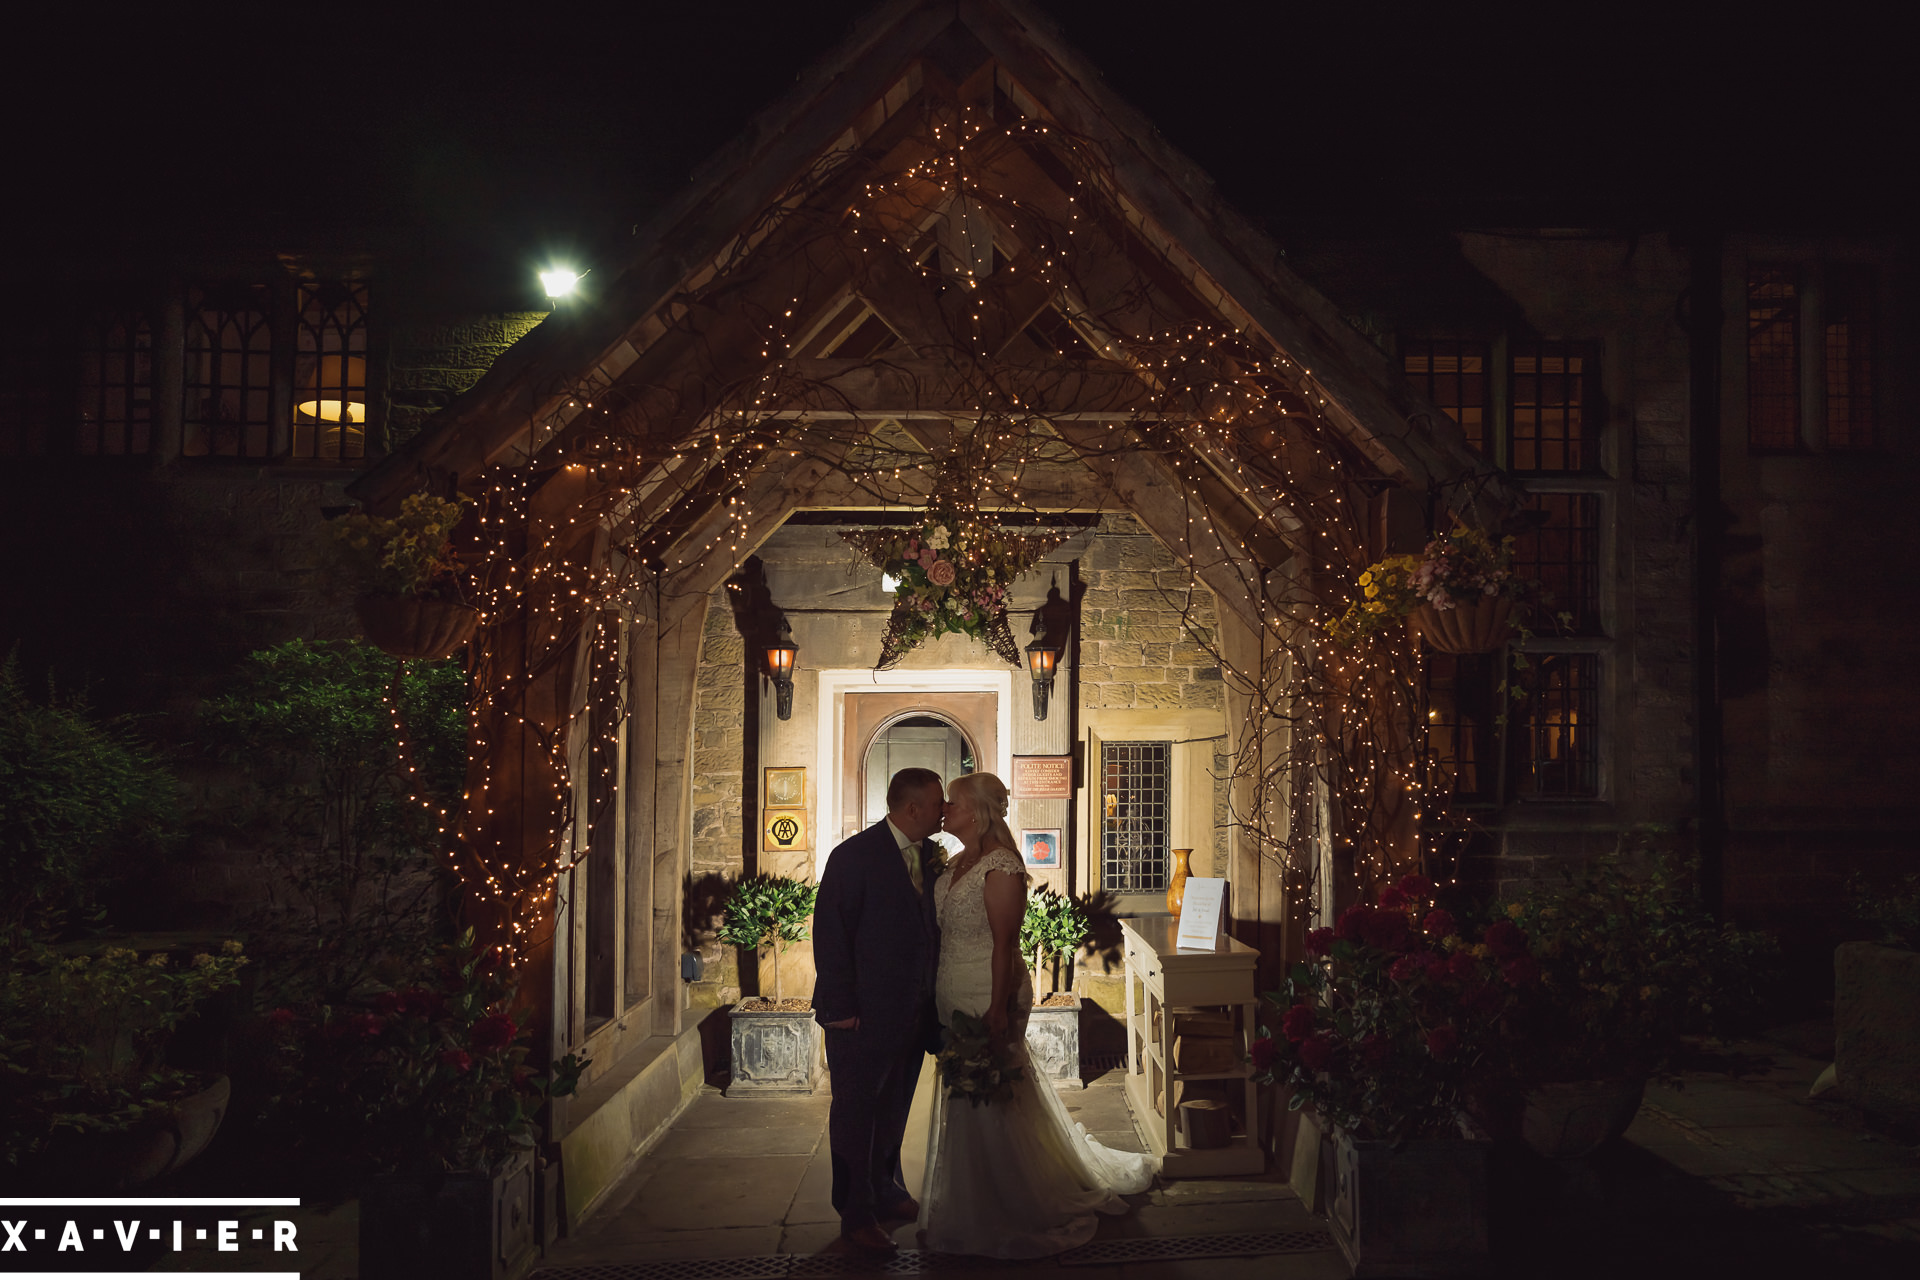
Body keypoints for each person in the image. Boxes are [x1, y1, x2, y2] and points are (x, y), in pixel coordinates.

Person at [919, 771, 1156, 1258]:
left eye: (955, 802)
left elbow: (1003, 944)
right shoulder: (957, 862)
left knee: (993, 1096)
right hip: (952, 990)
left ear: (979, 812)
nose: (946, 808)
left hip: (990, 991)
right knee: (963, 1098)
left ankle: (1007, 1203)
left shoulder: (1001, 866)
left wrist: (997, 1008)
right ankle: (971, 1195)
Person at [811, 766, 947, 1255]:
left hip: (910, 1014)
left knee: (893, 1111)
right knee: (855, 1115)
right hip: (861, 1017)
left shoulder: (930, 857)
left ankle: (887, 1192)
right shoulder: (854, 856)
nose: (943, 810)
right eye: (937, 803)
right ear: (912, 809)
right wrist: (842, 1008)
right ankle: (855, 1213)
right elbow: (830, 935)